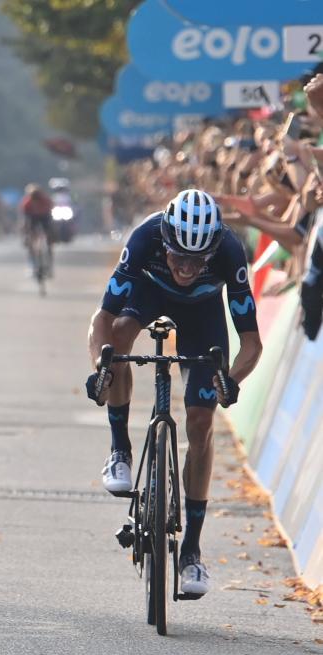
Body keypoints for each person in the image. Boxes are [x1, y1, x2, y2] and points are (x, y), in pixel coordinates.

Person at [85, 189, 262, 597]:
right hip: (148, 295)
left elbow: (251, 344)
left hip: (203, 313)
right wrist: (100, 367)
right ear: (165, 240)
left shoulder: (230, 252)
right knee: (119, 341)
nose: (185, 267)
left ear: (212, 250)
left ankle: (192, 553)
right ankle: (120, 451)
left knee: (201, 423)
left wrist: (230, 381)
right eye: (178, 256)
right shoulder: (145, 237)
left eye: (197, 261)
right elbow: (102, 318)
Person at [19, 183, 53, 272]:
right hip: (32, 217)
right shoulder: (27, 203)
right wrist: (26, 232)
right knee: (29, 235)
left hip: (44, 216)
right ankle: (32, 259)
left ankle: (49, 258)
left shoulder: (46, 200)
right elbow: (25, 217)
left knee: (49, 233)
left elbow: (50, 213)